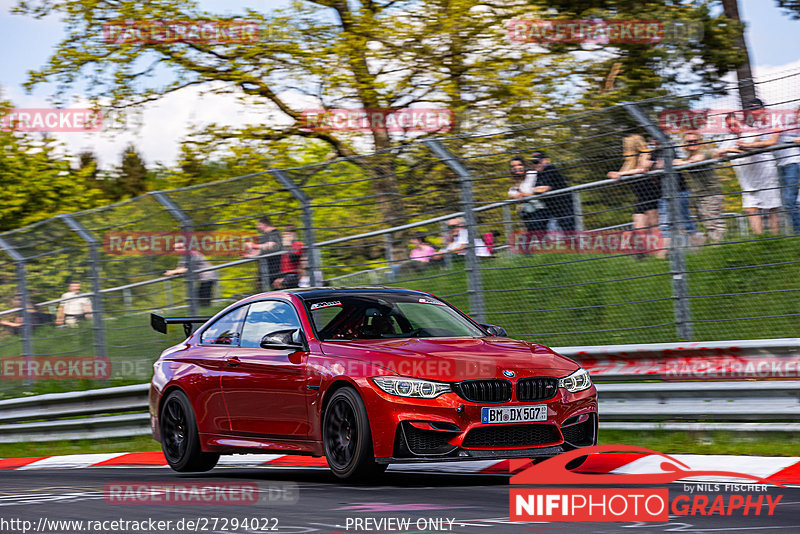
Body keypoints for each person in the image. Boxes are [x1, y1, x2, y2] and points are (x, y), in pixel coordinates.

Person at [716, 109, 781, 235]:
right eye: (729, 126)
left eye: (734, 124)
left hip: (765, 176)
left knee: (772, 208)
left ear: (740, 121)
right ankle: (759, 240)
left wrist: (731, 149)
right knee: (751, 209)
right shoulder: (729, 138)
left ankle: (776, 239)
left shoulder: (752, 131)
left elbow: (748, 148)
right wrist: (728, 149)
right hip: (747, 182)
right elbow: (717, 154)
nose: (731, 128)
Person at [674, 131, 725, 243]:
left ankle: (719, 246)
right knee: (706, 221)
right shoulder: (687, 158)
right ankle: (714, 244)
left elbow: (698, 159)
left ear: (699, 142)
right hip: (699, 195)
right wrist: (683, 162)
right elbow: (674, 162)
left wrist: (683, 163)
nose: (692, 143)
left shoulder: (705, 152)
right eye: (689, 141)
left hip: (711, 193)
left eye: (695, 141)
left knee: (714, 222)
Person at [607, 134, 659, 238]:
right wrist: (613, 174)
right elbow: (621, 173)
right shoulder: (630, 161)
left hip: (651, 193)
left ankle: (660, 251)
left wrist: (620, 174)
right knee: (639, 226)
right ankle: (644, 251)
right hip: (640, 196)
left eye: (628, 145)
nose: (626, 148)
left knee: (654, 225)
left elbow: (643, 169)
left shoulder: (647, 153)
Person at [529, 150, 575, 231]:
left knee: (569, 233)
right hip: (552, 210)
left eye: (538, 161)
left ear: (546, 160)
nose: (536, 164)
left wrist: (528, 191)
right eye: (534, 162)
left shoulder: (551, 170)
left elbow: (543, 189)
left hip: (565, 208)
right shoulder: (537, 175)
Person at [164, 241, 218, 307]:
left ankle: (205, 311)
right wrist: (172, 271)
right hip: (201, 278)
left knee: (203, 298)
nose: (176, 250)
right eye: (175, 248)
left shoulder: (192, 254)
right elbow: (181, 268)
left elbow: (186, 269)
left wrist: (172, 272)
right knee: (197, 297)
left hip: (207, 277)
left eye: (179, 248)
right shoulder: (184, 256)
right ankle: (202, 310)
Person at [508, 156, 548, 231]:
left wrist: (523, 195)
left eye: (519, 164)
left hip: (541, 211)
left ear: (524, 166)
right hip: (528, 214)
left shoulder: (532, 174)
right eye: (513, 166)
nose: (517, 167)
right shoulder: (517, 181)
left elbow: (537, 191)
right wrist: (516, 194)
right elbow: (511, 192)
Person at [244, 216, 282, 290]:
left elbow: (271, 245)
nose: (257, 227)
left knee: (276, 288)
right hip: (265, 268)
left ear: (263, 224)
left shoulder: (274, 233)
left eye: (258, 225)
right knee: (260, 287)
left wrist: (254, 245)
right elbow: (261, 251)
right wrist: (250, 255)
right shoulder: (264, 236)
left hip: (275, 268)